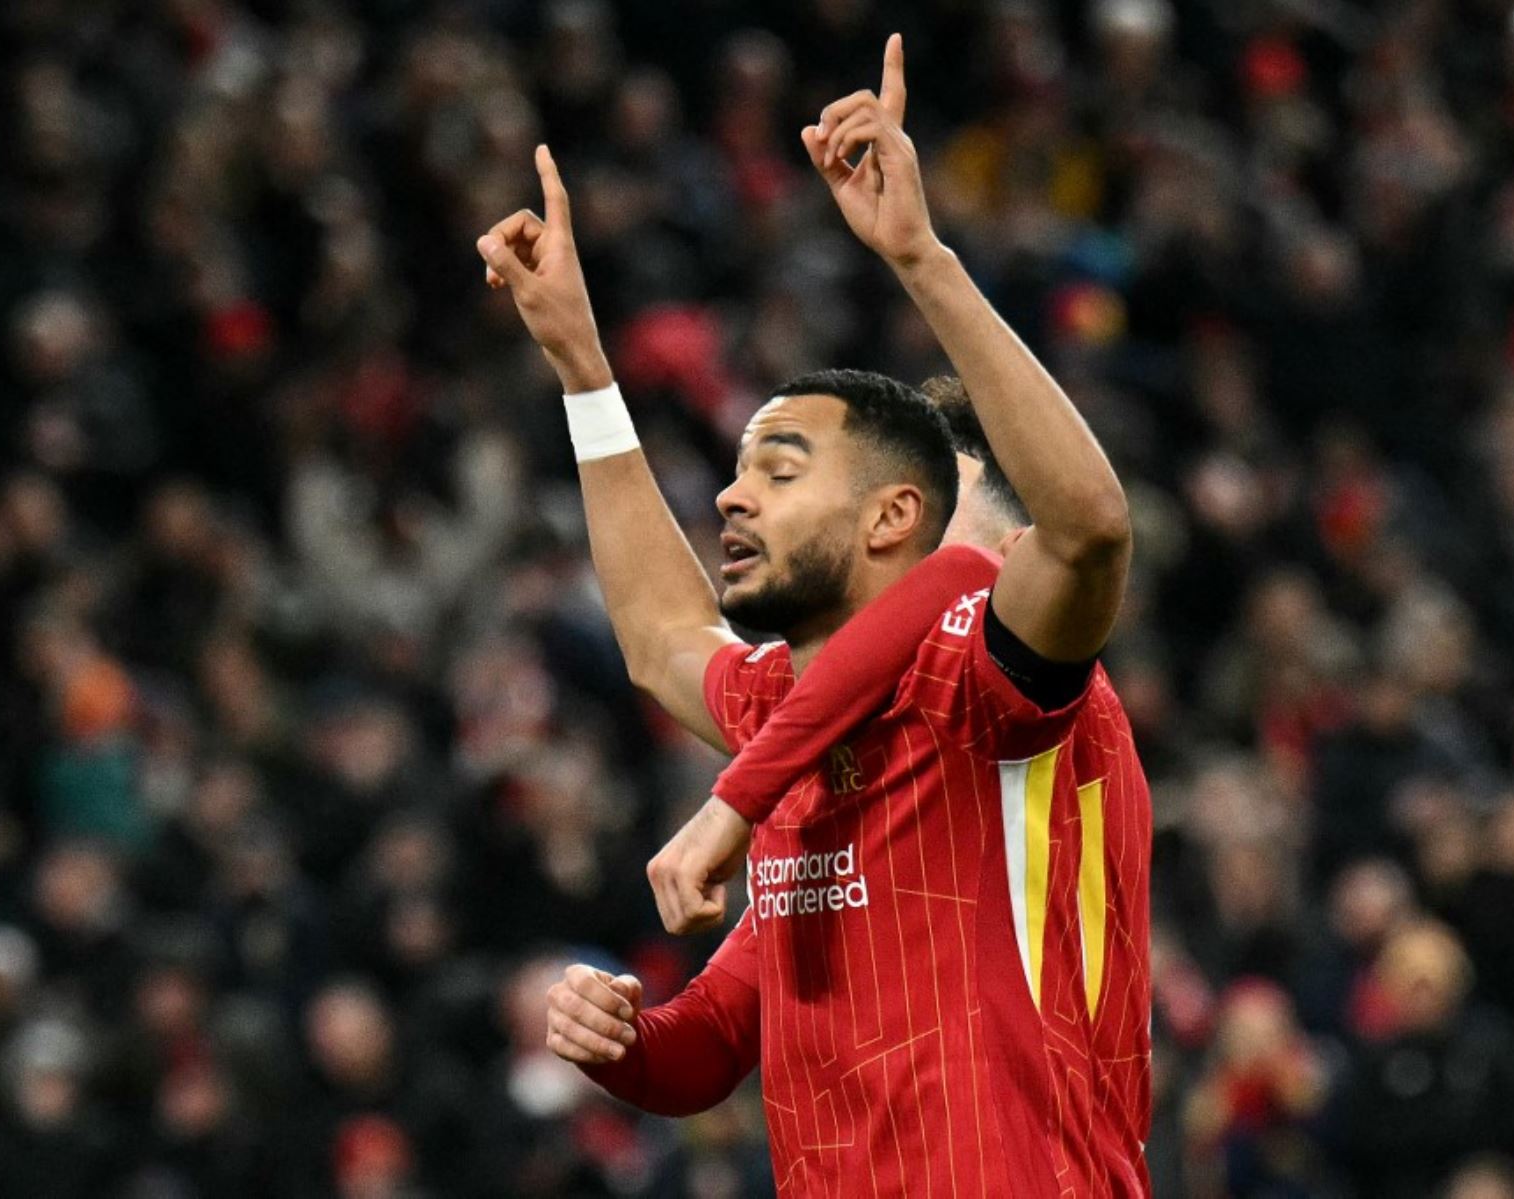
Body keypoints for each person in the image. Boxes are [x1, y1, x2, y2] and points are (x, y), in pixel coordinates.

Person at [479, 33, 1151, 1196]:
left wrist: (920, 256)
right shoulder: (795, 728)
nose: (733, 494)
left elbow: (1077, 530)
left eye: (779, 469)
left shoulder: (1001, 693)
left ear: (900, 516)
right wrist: (585, 372)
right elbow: (658, 642)